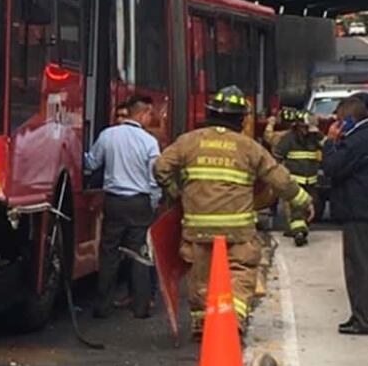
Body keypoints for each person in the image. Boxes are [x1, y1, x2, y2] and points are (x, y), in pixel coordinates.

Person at [153, 86, 314, 338]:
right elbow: (279, 179)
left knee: (200, 276)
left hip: (198, 227)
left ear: (210, 113)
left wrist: (177, 192)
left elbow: (160, 167)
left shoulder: (189, 141)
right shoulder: (249, 147)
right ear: (241, 118)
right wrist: (303, 201)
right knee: (241, 270)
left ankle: (201, 323)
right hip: (237, 229)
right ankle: (234, 317)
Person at [85, 95, 161, 319]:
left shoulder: (108, 136)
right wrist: (153, 203)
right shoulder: (149, 142)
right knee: (139, 253)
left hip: (114, 202)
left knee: (109, 252)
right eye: (149, 114)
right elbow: (154, 177)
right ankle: (141, 307)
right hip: (139, 202)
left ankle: (103, 306)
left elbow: (91, 163)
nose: (151, 118)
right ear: (142, 113)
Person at [321, 94, 368, 335]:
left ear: (349, 120)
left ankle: (362, 319)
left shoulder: (357, 139)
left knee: (358, 267)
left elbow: (332, 167)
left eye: (339, 119)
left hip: (358, 211)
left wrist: (330, 142)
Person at [273, 110, 324, 246]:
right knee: (297, 208)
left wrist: (318, 134)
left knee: (313, 206)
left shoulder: (315, 138)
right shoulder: (289, 139)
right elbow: (277, 157)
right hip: (295, 182)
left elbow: (327, 147)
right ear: (298, 126)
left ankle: (298, 228)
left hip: (311, 181)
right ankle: (299, 233)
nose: (307, 131)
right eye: (305, 127)